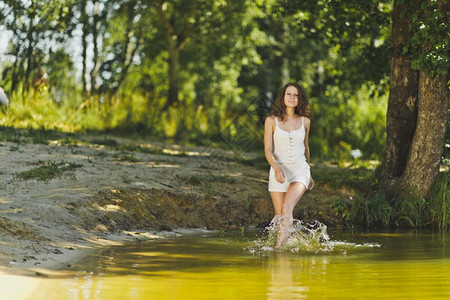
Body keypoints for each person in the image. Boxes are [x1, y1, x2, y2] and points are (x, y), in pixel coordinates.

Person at [264, 83, 314, 248]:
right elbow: (268, 150)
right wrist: (276, 168)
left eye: (296, 95)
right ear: (282, 97)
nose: (292, 97)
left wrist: (309, 173)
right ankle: (288, 245)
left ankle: (279, 251)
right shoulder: (271, 121)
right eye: (289, 94)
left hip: (300, 170)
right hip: (278, 171)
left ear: (300, 99)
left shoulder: (305, 121)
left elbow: (306, 148)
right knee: (280, 217)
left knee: (287, 207)